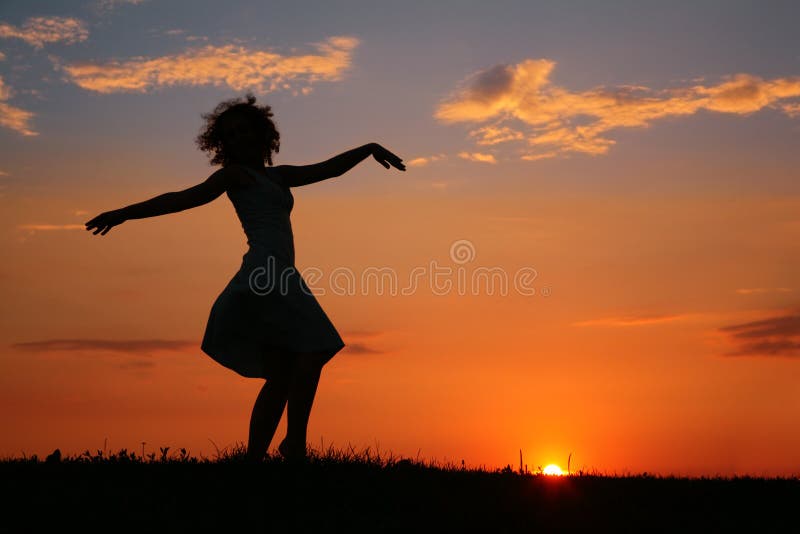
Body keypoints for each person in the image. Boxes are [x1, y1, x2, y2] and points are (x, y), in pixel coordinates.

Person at [85, 93, 405, 463]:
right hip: (265, 273)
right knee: (315, 348)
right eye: (230, 135)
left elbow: (328, 169)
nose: (237, 139)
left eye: (243, 131)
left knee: (285, 371)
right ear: (223, 144)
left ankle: (257, 457)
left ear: (261, 134)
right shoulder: (233, 176)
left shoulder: (278, 176)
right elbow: (181, 198)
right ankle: (294, 445)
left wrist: (369, 148)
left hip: (278, 273)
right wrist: (124, 213)